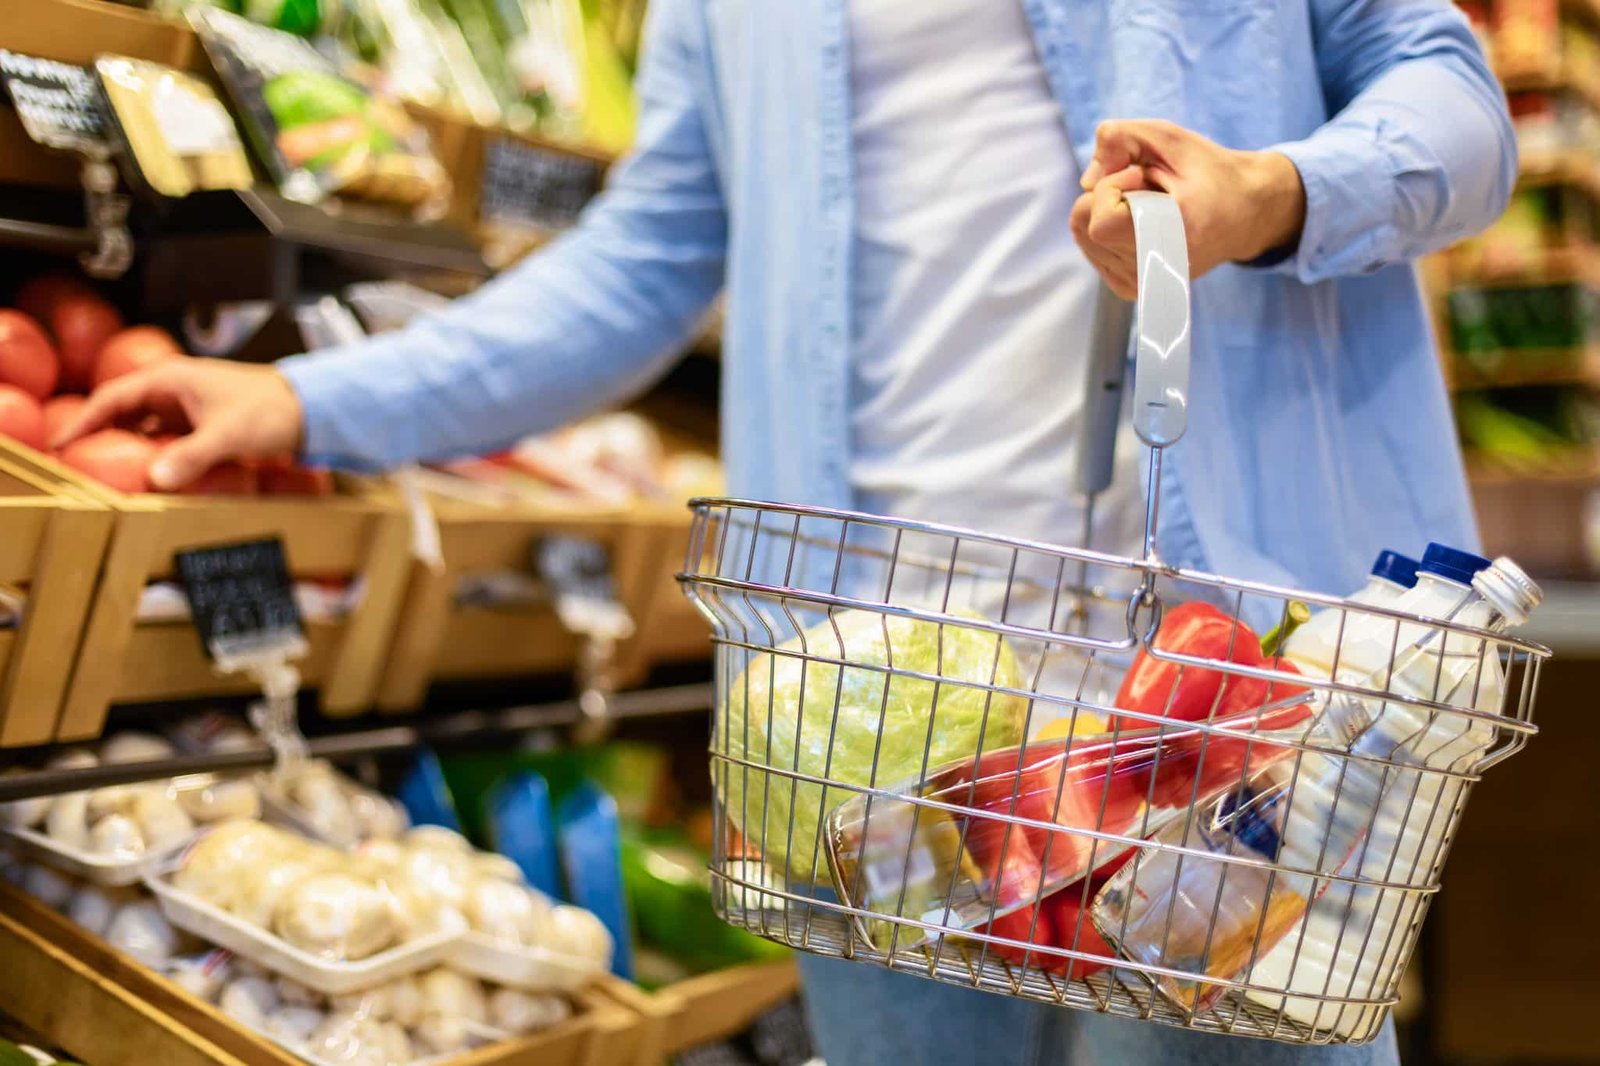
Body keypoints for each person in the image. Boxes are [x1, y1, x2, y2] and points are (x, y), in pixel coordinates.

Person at [61, 0, 1513, 1062]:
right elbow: (642, 265)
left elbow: (1456, 101)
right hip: (872, 720)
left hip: (1210, 706)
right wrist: (307, 402)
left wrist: (1275, 193)